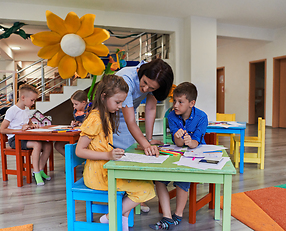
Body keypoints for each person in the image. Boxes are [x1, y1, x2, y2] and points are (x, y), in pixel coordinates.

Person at [75, 75, 156, 231]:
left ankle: (122, 223)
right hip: (98, 176)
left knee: (144, 184)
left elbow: (99, 145)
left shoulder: (103, 116)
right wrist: (108, 155)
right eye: (118, 102)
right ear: (104, 96)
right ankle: (110, 216)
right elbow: (79, 151)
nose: (120, 106)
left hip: (104, 171)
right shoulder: (95, 119)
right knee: (146, 189)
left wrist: (113, 153)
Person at [114, 59, 174, 213]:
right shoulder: (126, 80)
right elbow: (129, 121)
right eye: (145, 82)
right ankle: (124, 197)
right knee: (120, 157)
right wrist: (146, 145)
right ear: (142, 73)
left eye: (151, 88)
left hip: (129, 116)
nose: (145, 88)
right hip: (111, 116)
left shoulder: (154, 81)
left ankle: (135, 197)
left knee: (134, 155)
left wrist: (148, 139)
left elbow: (151, 108)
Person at [149, 82, 208, 230]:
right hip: (177, 153)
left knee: (183, 178)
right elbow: (179, 144)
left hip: (195, 155)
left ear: (191, 103)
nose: (175, 105)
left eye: (180, 102)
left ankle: (178, 215)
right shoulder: (172, 116)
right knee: (159, 179)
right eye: (174, 101)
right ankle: (167, 216)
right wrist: (180, 138)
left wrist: (191, 141)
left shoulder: (202, 117)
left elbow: (197, 141)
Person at [0, 84, 53, 186]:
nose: (33, 103)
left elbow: (29, 123)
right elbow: (2, 130)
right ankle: (36, 172)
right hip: (15, 139)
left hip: (25, 137)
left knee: (47, 145)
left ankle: (40, 169)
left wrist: (33, 125)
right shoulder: (12, 111)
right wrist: (20, 130)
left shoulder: (26, 110)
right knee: (37, 145)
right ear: (23, 98)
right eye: (32, 100)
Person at [54, 90, 89, 156]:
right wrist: (75, 123)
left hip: (87, 137)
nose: (74, 106)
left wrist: (83, 124)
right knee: (58, 145)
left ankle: (75, 160)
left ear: (84, 103)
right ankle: (71, 160)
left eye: (76, 104)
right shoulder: (76, 112)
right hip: (77, 134)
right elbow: (78, 121)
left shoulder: (91, 110)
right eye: (73, 104)